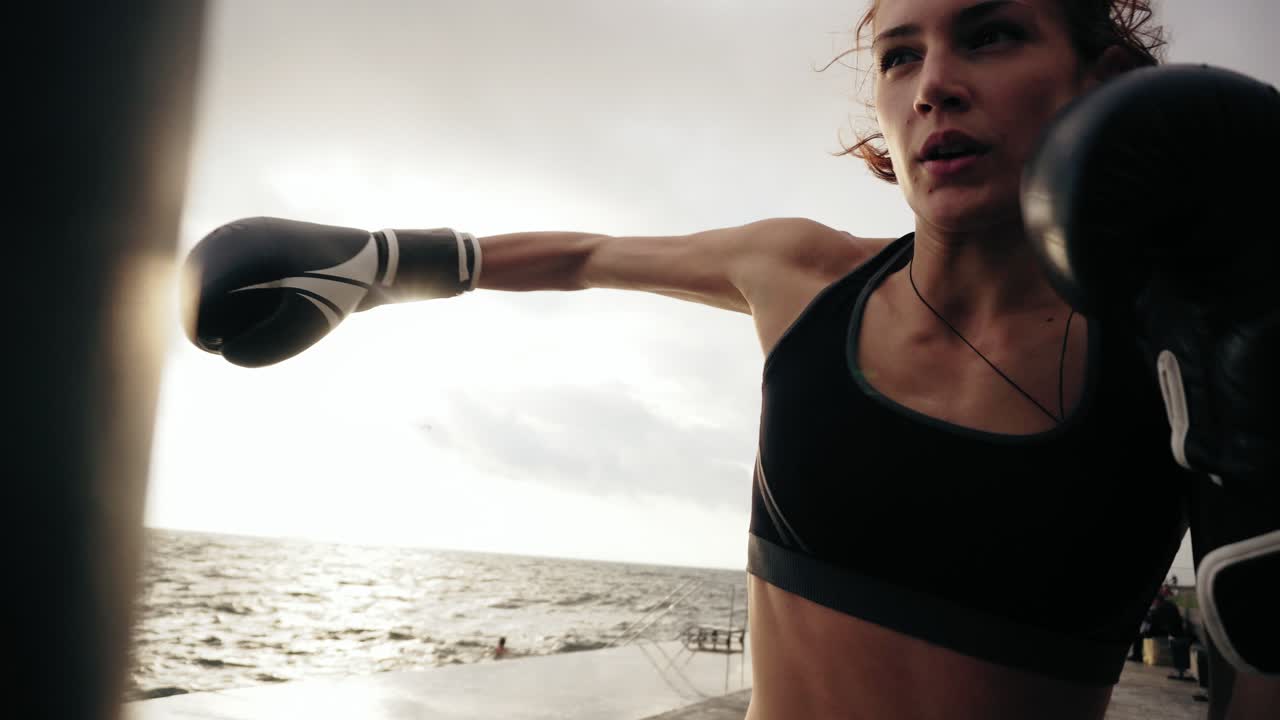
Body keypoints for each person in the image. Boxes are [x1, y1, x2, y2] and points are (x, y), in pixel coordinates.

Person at [179, 0, 1280, 717]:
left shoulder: (1176, 362)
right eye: (899, 56)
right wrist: (371, 264)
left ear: (1096, 81)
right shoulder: (802, 273)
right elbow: (586, 256)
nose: (931, 84)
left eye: (987, 33)